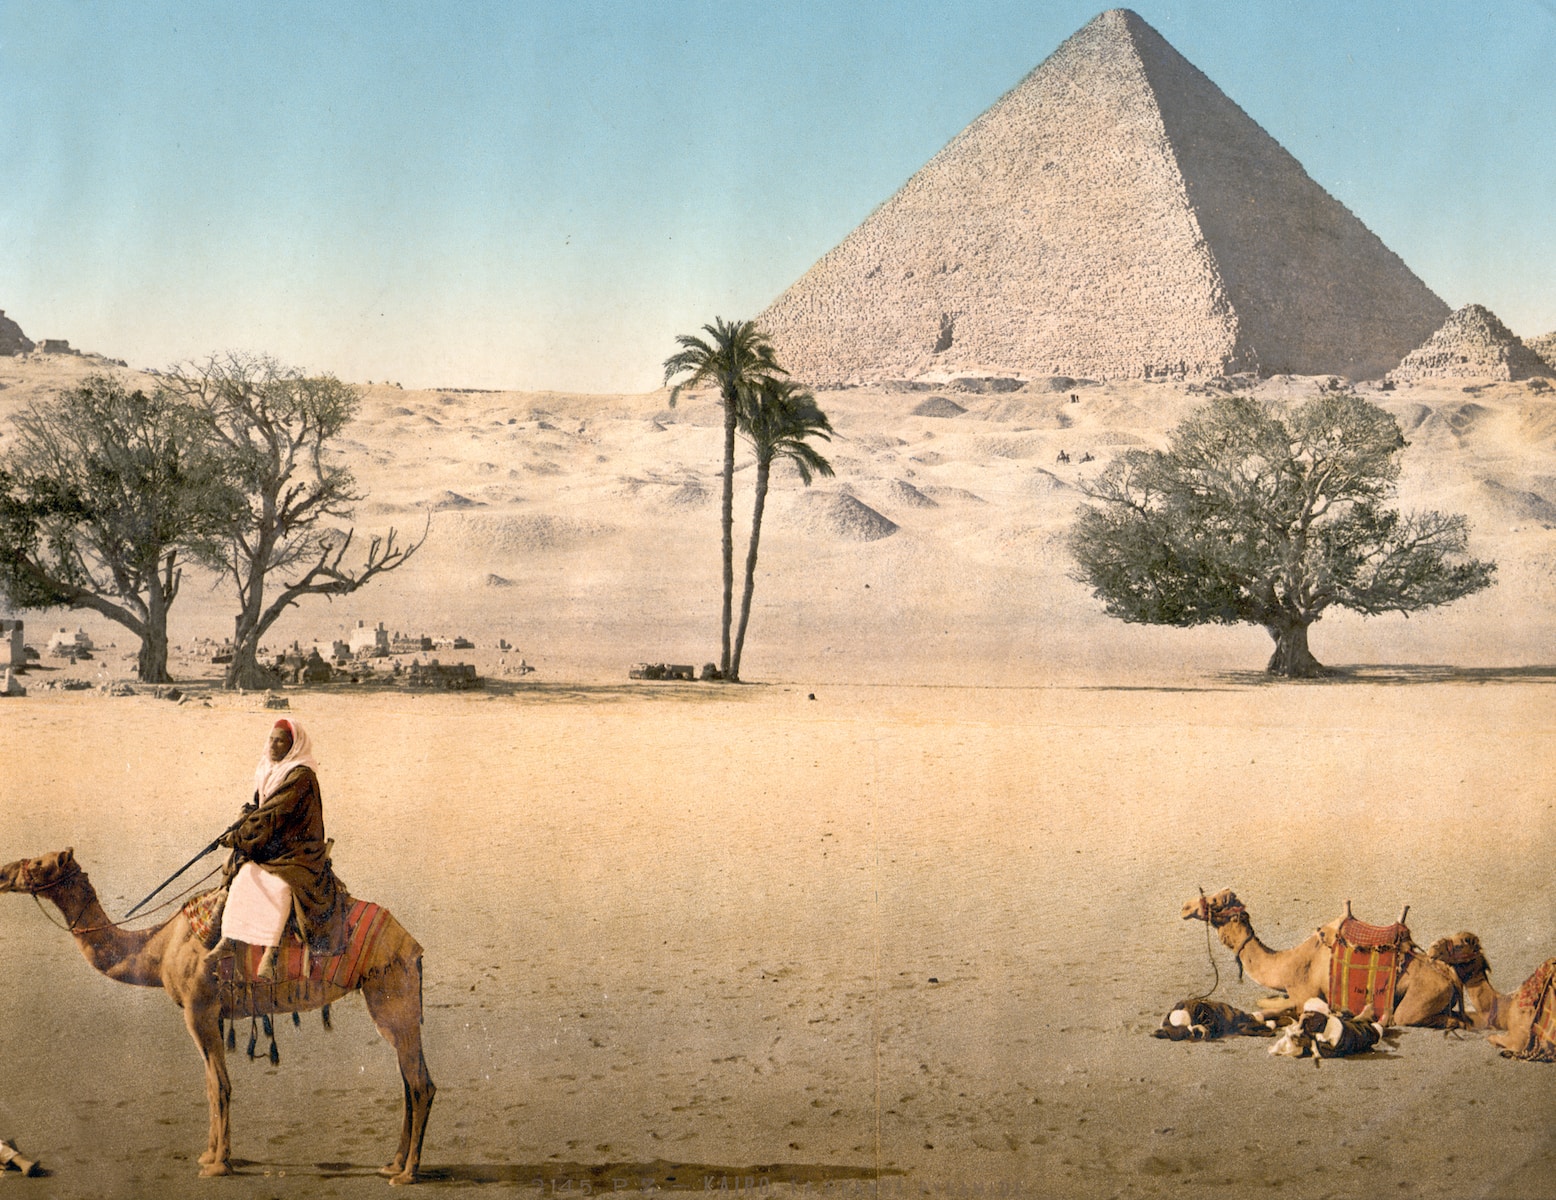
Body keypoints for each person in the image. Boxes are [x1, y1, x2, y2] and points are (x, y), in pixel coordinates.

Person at [214, 718, 349, 971]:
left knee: (278, 885)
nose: (274, 745)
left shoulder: (300, 775)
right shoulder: (269, 769)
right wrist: (244, 817)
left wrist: (239, 836)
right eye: (271, 739)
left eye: (281, 741)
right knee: (244, 875)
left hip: (297, 850)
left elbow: (274, 814)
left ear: (293, 745)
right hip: (276, 843)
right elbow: (261, 807)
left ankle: (271, 954)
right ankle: (229, 939)